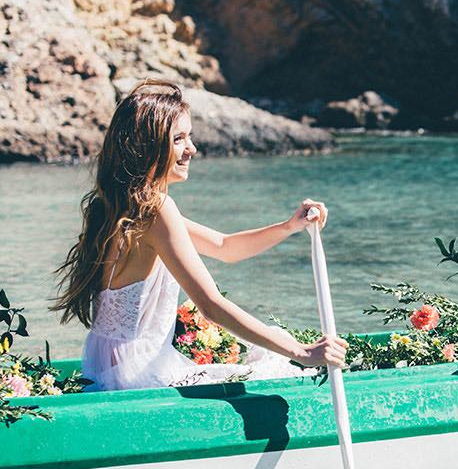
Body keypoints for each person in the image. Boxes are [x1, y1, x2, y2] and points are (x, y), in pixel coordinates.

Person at [52, 79, 347, 391]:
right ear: (147, 146)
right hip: (136, 375)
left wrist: (289, 226)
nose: (191, 149)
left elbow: (224, 246)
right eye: (179, 139)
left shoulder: (117, 205)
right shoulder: (157, 210)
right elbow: (210, 305)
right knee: (277, 367)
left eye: (188, 137)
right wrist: (302, 352)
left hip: (105, 367)